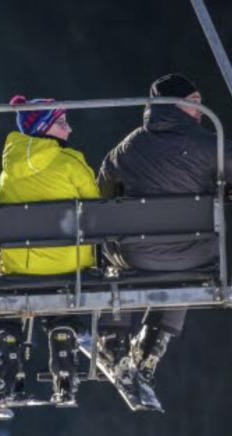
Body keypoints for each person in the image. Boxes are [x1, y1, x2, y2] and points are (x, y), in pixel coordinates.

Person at [96, 73, 231, 410]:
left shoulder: (127, 148)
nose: (199, 110)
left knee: (109, 254)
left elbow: (102, 190)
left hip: (134, 256)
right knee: (181, 262)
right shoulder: (209, 145)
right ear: (179, 105)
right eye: (194, 102)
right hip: (195, 254)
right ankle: (155, 339)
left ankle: (113, 334)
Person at [0, 96, 101, 405]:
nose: (70, 130)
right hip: (69, 264)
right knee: (64, 283)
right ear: (45, 128)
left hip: (20, 267)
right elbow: (96, 208)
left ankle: (7, 342)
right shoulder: (71, 162)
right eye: (62, 123)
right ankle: (64, 332)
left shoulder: (7, 171)